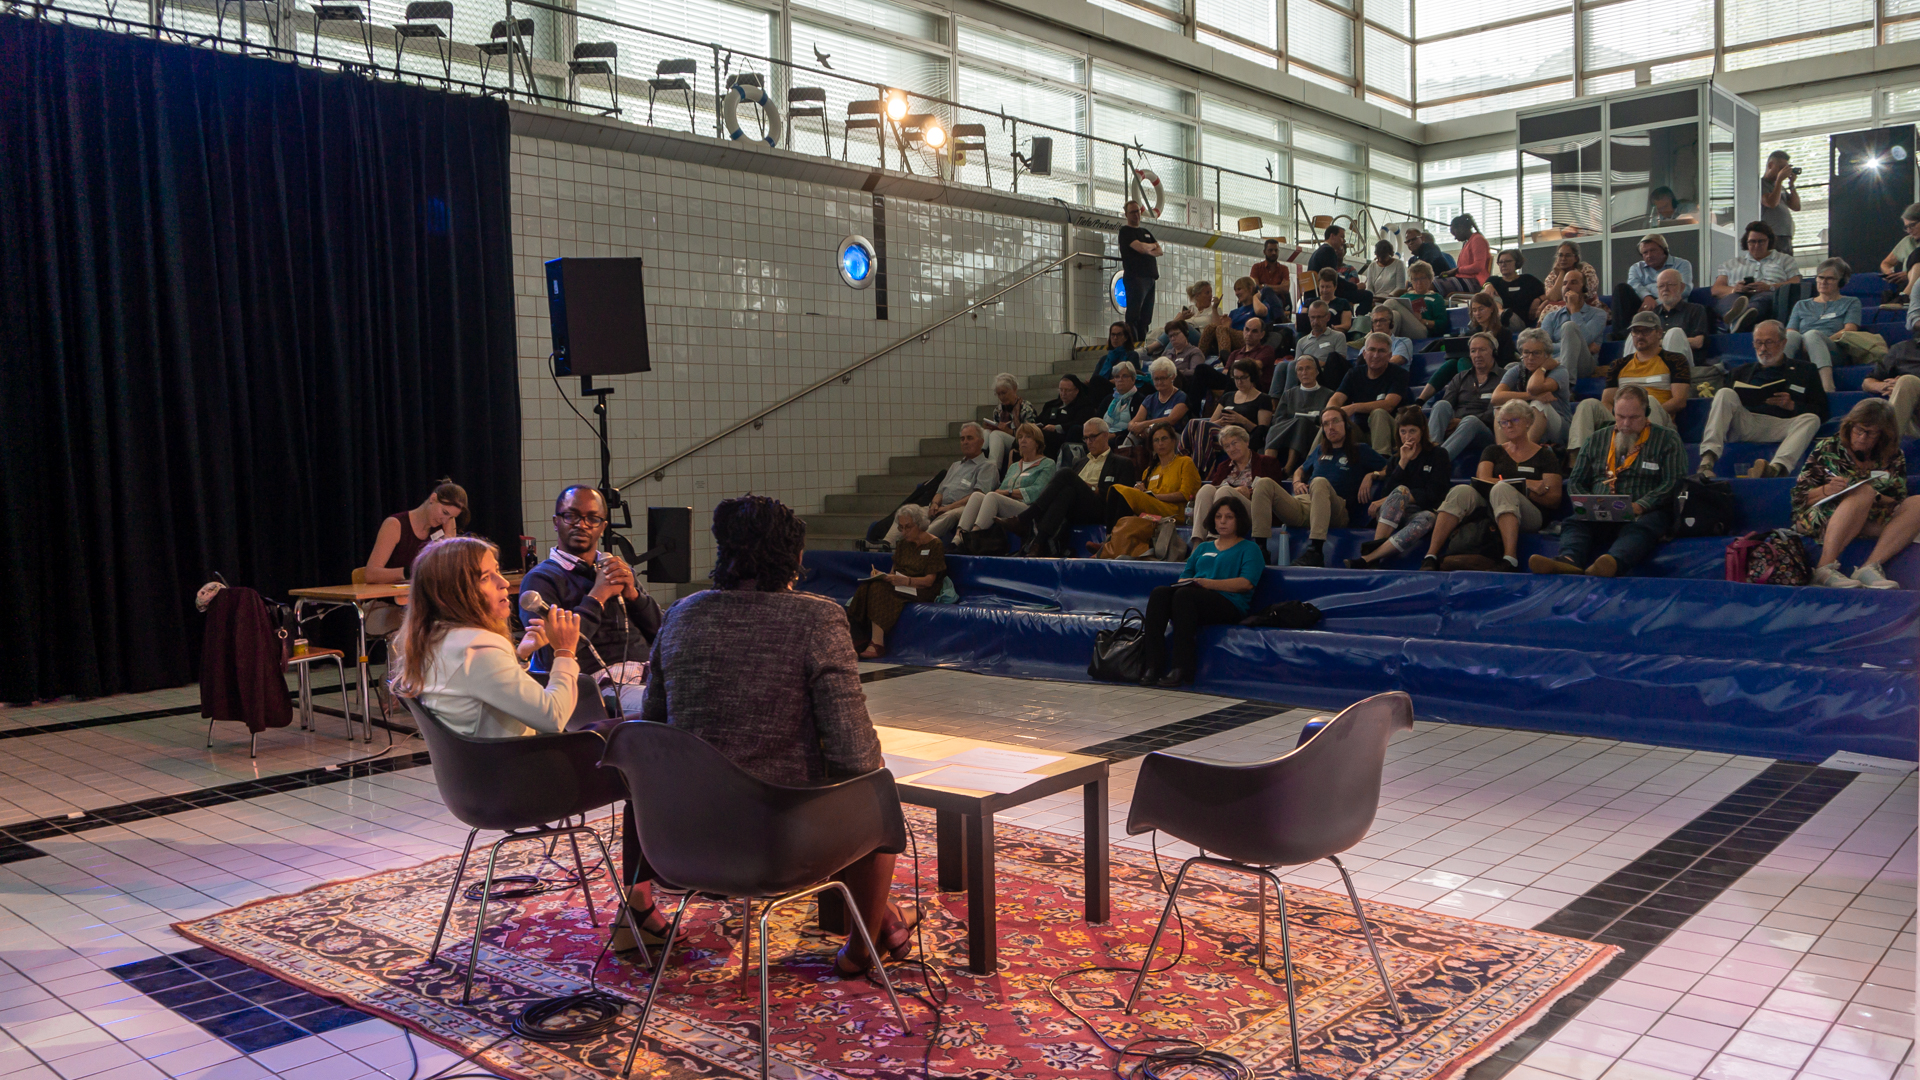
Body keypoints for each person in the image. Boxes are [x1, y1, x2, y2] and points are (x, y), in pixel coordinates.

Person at [640, 495, 916, 975]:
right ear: (796, 556)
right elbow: (857, 753)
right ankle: (857, 953)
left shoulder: (680, 614)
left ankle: (883, 919)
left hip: (679, 837)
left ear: (723, 553)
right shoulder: (818, 618)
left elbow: (653, 725)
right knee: (877, 793)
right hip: (780, 844)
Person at [395, 535, 669, 957]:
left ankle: (645, 898)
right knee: (641, 752)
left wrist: (522, 652)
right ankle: (641, 908)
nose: (506, 585)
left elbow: (478, 691)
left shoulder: (431, 637)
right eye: (489, 577)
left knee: (619, 730)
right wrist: (563, 650)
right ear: (459, 591)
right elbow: (552, 715)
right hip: (518, 786)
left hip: (475, 786)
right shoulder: (478, 646)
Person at [520, 486, 666, 713]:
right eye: (571, 516)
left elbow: (663, 633)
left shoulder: (616, 569)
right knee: (669, 708)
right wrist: (597, 596)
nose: (582, 524)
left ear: (603, 527)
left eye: (593, 519)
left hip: (651, 674)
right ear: (556, 521)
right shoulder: (541, 580)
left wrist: (634, 596)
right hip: (599, 686)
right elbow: (551, 655)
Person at [1531, 386, 1684, 578]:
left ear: (1646, 413)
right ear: (1613, 413)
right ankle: (1568, 561)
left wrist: (1642, 505)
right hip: (1601, 510)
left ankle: (1612, 562)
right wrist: (1588, 503)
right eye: (1620, 417)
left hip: (1645, 511)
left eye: (1634, 417)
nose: (1626, 424)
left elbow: (1673, 481)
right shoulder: (1596, 440)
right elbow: (1576, 481)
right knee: (1575, 522)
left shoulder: (1667, 439)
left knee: (1644, 526)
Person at [1792, 400, 1920, 588]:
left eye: (1870, 433)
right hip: (1825, 513)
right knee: (1863, 492)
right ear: (1849, 426)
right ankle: (1824, 568)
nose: (1862, 437)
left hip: (1871, 516)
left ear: (1883, 434)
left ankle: (1869, 567)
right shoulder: (1829, 448)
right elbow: (1799, 498)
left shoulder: (1892, 455)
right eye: (1858, 430)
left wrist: (1874, 496)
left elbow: (1897, 498)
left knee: (1916, 503)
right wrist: (1827, 490)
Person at [1424, 400, 1564, 572]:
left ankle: (1510, 558)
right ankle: (1430, 556)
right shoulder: (1493, 451)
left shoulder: (1545, 456)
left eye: (1515, 420)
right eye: (1504, 422)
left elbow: (1554, 499)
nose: (1509, 425)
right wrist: (1526, 483)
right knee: (1460, 490)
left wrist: (1524, 492)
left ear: (1528, 422)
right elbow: (1482, 478)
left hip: (1530, 513)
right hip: (1490, 506)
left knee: (1502, 488)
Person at [1137, 498, 1263, 687]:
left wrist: (1207, 584)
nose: (1222, 521)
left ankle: (1182, 668)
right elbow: (1184, 576)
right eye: (1219, 517)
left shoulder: (1250, 549)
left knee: (1185, 596)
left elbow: (1245, 583)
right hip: (1194, 598)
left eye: (1229, 517)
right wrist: (1192, 583)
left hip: (1229, 603)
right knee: (1160, 593)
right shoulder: (1203, 547)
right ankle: (1152, 665)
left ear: (1239, 520)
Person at [1696, 320, 1826, 480]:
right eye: (1759, 343)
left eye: (1769, 343)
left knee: (1811, 419)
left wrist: (1792, 405)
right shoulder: (1739, 372)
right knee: (1724, 393)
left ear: (1783, 342)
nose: (1763, 349)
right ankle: (1707, 462)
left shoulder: (1805, 370)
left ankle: (1776, 468)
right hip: (1745, 423)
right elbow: (1726, 407)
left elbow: (1822, 410)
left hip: (1781, 425)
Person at [1005, 417, 1139, 557]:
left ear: (1105, 435)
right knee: (1066, 492)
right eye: (1085, 438)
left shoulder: (1122, 463)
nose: (1089, 442)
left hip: (1100, 508)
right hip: (1075, 507)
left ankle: (1026, 517)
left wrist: (1089, 487)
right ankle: (1037, 544)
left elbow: (1121, 497)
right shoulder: (1080, 462)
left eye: (1092, 437)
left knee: (1065, 473)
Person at [1266, 407, 1384, 566]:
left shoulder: (1361, 449)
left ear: (1346, 425)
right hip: (1309, 505)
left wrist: (1372, 475)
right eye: (1326, 424)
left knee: (1319, 481)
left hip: (1338, 509)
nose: (1331, 427)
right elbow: (1300, 469)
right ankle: (1261, 549)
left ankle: (1315, 551)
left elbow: (1390, 468)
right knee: (1264, 483)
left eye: (1335, 421)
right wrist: (1296, 482)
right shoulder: (1320, 450)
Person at [1346, 407, 1452, 568]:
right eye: (1403, 432)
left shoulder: (1438, 454)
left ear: (1422, 431)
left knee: (1428, 517)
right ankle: (1372, 556)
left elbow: (1435, 494)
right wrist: (1403, 462)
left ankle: (1370, 558)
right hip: (1393, 512)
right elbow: (1387, 493)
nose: (1407, 437)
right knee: (1400, 490)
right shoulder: (1396, 460)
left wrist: (1405, 495)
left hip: (1420, 512)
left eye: (1412, 431)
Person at [1568, 312, 1691, 450]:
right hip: (1622, 421)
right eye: (1636, 331)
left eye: (1646, 331)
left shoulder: (1675, 360)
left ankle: (1648, 456)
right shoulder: (1619, 364)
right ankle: (1578, 458)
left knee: (1648, 400)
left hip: (1657, 418)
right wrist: (1624, 419)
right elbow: (1607, 401)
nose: (1640, 336)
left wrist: (1639, 416)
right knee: (1587, 404)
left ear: (1659, 333)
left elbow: (1679, 400)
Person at [847, 504, 946, 658]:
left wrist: (905, 581)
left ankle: (877, 644)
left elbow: (929, 581)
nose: (904, 532)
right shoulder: (902, 544)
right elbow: (894, 572)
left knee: (879, 590)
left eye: (908, 527)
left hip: (921, 588)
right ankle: (857, 636)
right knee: (868, 586)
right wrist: (883, 575)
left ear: (919, 525)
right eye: (901, 528)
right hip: (901, 585)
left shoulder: (934, 544)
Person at [883, 423, 998, 543]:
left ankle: (916, 541)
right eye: (962, 439)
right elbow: (940, 491)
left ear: (981, 442)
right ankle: (887, 543)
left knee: (949, 515)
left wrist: (948, 507)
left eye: (970, 438)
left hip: (965, 508)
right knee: (908, 511)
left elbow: (978, 495)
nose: (965, 442)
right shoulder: (955, 466)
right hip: (943, 506)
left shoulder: (987, 466)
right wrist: (934, 504)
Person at [1191, 424, 1286, 546]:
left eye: (1234, 443)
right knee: (1206, 489)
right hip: (1227, 511)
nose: (1231, 448)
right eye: (1227, 446)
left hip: (1256, 511)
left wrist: (1249, 492)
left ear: (1246, 441)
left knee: (1224, 492)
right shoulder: (1223, 467)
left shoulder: (1267, 462)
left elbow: (1275, 493)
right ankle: (1197, 544)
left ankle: (1213, 541)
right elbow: (1212, 493)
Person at [956, 423, 1056, 539]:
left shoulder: (1048, 464)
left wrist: (1008, 493)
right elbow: (1002, 489)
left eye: (1028, 437)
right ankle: (957, 539)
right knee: (977, 496)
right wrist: (1004, 492)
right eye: (1020, 437)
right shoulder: (1014, 466)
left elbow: (1037, 491)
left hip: (1028, 509)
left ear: (1037, 442)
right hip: (1008, 505)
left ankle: (974, 537)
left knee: (993, 496)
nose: (1023, 440)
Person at [364, 479, 468, 584]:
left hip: (422, 598)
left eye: (451, 517)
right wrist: (409, 571)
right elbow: (371, 574)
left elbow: (447, 570)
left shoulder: (444, 526)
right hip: (392, 598)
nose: (445, 520)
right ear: (433, 498)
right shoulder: (395, 525)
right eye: (445, 512)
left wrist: (449, 533)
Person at [1184, 358, 1273, 476]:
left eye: (1243, 377)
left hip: (1244, 436)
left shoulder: (1263, 399)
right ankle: (1182, 462)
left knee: (1202, 426)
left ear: (1252, 376)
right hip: (1222, 433)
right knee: (1193, 423)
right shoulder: (1228, 396)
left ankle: (1195, 471)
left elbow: (1262, 432)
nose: (1239, 382)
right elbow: (1211, 422)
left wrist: (1242, 420)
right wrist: (1221, 422)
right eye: (1236, 378)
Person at [1786, 258, 1863, 394]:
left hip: (1835, 348)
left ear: (1841, 282)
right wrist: (1806, 343)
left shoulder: (1851, 302)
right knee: (1790, 336)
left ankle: (1827, 387)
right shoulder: (1801, 304)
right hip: (1803, 348)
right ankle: (1777, 380)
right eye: (1820, 277)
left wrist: (1816, 341)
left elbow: (1850, 330)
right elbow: (1791, 330)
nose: (1823, 282)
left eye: (1830, 278)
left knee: (1812, 334)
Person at [1713, 220, 1801, 333]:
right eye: (1752, 242)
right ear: (1746, 242)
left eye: (1761, 241)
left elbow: (1796, 282)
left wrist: (1770, 287)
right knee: (1732, 300)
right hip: (1736, 295)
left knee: (1763, 299)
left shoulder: (1784, 260)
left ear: (1769, 241)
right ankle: (1737, 318)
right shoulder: (1730, 264)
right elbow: (1716, 290)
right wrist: (1734, 289)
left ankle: (1740, 318)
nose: (1756, 246)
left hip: (1767, 293)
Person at [1428, 332, 1504, 462]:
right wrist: (1456, 422)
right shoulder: (1461, 377)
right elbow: (1447, 404)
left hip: (1485, 431)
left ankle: (1437, 462)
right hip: (1458, 427)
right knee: (1441, 405)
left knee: (1470, 421)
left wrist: (1461, 421)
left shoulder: (1504, 378)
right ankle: (1430, 450)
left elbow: (1495, 414)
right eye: (1473, 351)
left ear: (1493, 351)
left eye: (1482, 350)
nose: (1477, 355)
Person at [1330, 333, 1411, 453]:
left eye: (1381, 351)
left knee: (1378, 413)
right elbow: (1336, 399)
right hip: (1362, 433)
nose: (1375, 355)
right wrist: (1330, 414)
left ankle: (1381, 461)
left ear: (1389, 356)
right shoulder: (1354, 373)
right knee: (1330, 421)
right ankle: (1310, 464)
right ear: (1364, 354)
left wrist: (1354, 407)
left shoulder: (1399, 374)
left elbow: (1389, 404)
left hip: (1393, 433)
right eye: (1372, 350)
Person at [1106, 424, 1200, 524]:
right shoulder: (1149, 471)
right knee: (1116, 490)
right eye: (1156, 440)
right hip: (1151, 512)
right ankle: (1112, 534)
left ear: (1173, 441)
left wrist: (1154, 496)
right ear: (1152, 445)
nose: (1160, 443)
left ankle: (1113, 534)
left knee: (1122, 491)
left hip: (1175, 512)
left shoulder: (1185, 462)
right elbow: (1145, 494)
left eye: (1164, 439)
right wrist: (1141, 490)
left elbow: (1186, 494)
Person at [1420, 296, 1510, 399]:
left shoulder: (1504, 333)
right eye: (1474, 310)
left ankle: (1472, 392)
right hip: (1474, 368)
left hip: (1493, 370)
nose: (1477, 313)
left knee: (1462, 360)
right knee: (1452, 363)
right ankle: (1420, 400)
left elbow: (1506, 360)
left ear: (1492, 309)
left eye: (1481, 309)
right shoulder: (1470, 333)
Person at [1493, 328, 1571, 445]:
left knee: (1539, 405)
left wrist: (1542, 368)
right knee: (1501, 408)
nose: (1530, 357)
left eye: (1536, 353)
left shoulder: (1559, 371)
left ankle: (1525, 453)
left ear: (1547, 355)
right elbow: (1495, 398)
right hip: (1527, 424)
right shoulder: (1517, 370)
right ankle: (1503, 453)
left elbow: (1533, 388)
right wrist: (1533, 397)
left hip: (1559, 428)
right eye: (1526, 352)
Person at [1611, 234, 1695, 337]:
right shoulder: (1636, 268)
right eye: (1645, 252)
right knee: (1621, 289)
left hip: (1671, 305)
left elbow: (1684, 289)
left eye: (1653, 250)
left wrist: (1655, 302)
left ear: (1664, 250)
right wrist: (1647, 297)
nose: (1649, 255)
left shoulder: (1682, 264)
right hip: (1643, 305)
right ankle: (1621, 336)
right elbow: (1633, 285)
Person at [1263, 353, 1335, 472]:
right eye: (1300, 369)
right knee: (1274, 428)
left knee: (1301, 423)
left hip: (1313, 432)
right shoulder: (1289, 394)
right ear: (1296, 374)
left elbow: (1327, 419)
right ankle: (1267, 469)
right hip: (1289, 430)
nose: (1304, 372)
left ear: (1317, 372)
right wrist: (1293, 423)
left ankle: (1288, 468)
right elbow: (1279, 418)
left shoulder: (1329, 394)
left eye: (1308, 368)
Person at [1540, 271, 1607, 380]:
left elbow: (1584, 339)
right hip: (1554, 362)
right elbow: (1543, 348)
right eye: (1564, 283)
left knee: (1569, 326)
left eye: (1573, 283)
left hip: (1584, 364)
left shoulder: (1599, 314)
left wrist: (1574, 309)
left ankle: (1566, 383)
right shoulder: (1551, 317)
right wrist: (1577, 346)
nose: (1567, 287)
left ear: (1584, 289)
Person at [1276, 300, 1347, 396]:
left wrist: (1315, 364)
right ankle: (1274, 401)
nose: (1315, 321)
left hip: (1324, 372)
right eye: (1312, 318)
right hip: (1304, 370)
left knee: (1293, 365)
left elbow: (1340, 362)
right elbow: (1297, 365)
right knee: (1281, 366)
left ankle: (1288, 399)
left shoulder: (1338, 336)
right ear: (1308, 318)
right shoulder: (1302, 341)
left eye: (1319, 317)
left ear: (1328, 317)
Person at [1647, 267, 1713, 367]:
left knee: (1674, 333)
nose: (1665, 289)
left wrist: (1663, 341)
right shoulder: (1652, 314)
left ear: (1681, 287)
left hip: (1685, 366)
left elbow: (1698, 342)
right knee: (1633, 336)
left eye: (1670, 285)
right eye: (1661, 286)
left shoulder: (1696, 310)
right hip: (1655, 364)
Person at [1128, 357, 1191, 460]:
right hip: (1152, 434)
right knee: (1133, 434)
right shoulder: (1150, 399)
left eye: (1163, 378)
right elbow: (1132, 423)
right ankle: (1128, 462)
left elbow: (1171, 420)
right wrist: (1137, 428)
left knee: (1158, 434)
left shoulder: (1181, 397)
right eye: (1156, 379)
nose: (1159, 382)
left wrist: (1144, 424)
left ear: (1173, 377)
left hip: (1175, 436)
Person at [1118, 199, 1163, 342]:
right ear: (1126, 214)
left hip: (1150, 278)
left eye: (1137, 211)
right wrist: (1149, 247)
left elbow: (1159, 251)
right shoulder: (1125, 232)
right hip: (1135, 277)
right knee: (1134, 313)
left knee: (1146, 315)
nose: (1136, 215)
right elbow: (1141, 248)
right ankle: (1133, 342)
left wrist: (1146, 249)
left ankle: (1142, 341)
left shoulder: (1146, 232)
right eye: (1132, 212)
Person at [1862, 336, 1920, 436]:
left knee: (1907, 381)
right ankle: (1886, 443)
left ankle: (1883, 445)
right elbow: (1867, 382)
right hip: (1912, 418)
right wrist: (1885, 386)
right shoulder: (1901, 349)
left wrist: (1907, 385)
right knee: (1905, 382)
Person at [1376, 260, 1447, 340]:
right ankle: (1380, 342)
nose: (1419, 282)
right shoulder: (1405, 296)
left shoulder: (1436, 298)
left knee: (1390, 302)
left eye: (1422, 278)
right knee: (1395, 315)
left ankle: (1371, 336)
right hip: (1402, 329)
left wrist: (1423, 321)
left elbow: (1443, 325)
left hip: (1422, 331)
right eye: (1415, 279)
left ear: (1430, 279)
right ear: (1411, 281)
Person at [1037, 374, 1102, 461]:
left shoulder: (1084, 406)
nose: (1063, 393)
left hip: (1064, 437)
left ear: (1076, 391)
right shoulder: (1051, 405)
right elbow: (1039, 419)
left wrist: (1056, 428)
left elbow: (1079, 423)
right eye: (1061, 390)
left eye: (1067, 390)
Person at [981, 373, 1038, 468]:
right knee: (986, 432)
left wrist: (1009, 431)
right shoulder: (998, 410)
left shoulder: (1026, 408)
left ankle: (993, 468)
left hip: (1019, 442)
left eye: (1004, 393)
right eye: (998, 394)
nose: (1001, 397)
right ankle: (979, 461)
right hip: (999, 442)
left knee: (996, 435)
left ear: (1014, 389)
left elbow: (1031, 433)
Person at [1307, 224, 1371, 308]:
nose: (1344, 241)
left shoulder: (1318, 251)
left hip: (1314, 292)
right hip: (1327, 292)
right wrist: (1355, 286)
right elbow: (1334, 279)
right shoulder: (1328, 251)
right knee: (1367, 295)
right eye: (1342, 237)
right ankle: (1359, 319)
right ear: (1332, 236)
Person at [1537, 241, 1600, 321]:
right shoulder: (1552, 275)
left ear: (1576, 258)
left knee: (1549, 308)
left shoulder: (1586, 269)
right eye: (1560, 255)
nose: (1563, 259)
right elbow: (1553, 297)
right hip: (1562, 307)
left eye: (1568, 255)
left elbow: (1585, 294)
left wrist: (1546, 303)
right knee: (1549, 309)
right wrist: (1561, 273)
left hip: (1586, 305)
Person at [1432, 214, 1491, 296]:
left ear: (1461, 228)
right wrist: (1451, 272)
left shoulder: (1477, 240)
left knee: (1432, 285)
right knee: (1430, 281)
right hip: (1466, 279)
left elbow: (1478, 267)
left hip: (1475, 282)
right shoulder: (1468, 242)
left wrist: (1457, 270)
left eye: (1454, 233)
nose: (1455, 238)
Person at [1487, 249, 1544, 331]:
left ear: (1516, 262)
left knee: (1506, 316)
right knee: (1487, 297)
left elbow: (1548, 294)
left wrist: (1538, 299)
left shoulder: (1528, 280)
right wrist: (1487, 285)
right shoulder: (1494, 281)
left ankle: (1501, 314)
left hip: (1520, 323)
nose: (1503, 264)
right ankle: (1499, 313)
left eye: (1507, 261)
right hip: (1496, 322)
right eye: (1500, 262)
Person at [1761, 150, 1802, 256]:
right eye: (1781, 168)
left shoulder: (1780, 187)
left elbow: (1796, 207)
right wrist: (1779, 180)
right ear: (1770, 165)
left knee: (1787, 269)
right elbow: (1771, 203)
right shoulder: (1761, 184)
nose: (1783, 172)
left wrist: (1791, 185)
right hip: (1772, 236)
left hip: (1786, 236)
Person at [1223, 317, 1281, 391]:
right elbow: (1225, 371)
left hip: (1256, 387)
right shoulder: (1235, 353)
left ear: (1262, 334)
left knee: (1238, 376)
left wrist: (1235, 366)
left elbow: (1254, 366)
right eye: (1247, 330)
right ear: (1243, 331)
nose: (1249, 334)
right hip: (1234, 383)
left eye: (1254, 331)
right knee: (1204, 370)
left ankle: (1224, 401)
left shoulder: (1267, 350)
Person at [1877, 203, 1920, 297]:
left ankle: (1906, 296)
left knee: (1917, 253)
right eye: (1906, 227)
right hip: (1905, 285)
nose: (1909, 230)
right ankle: (1905, 296)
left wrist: (1909, 274)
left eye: (1912, 225)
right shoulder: (1907, 241)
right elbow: (1886, 263)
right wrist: (1890, 273)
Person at [1296, 268, 1353, 334]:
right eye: (1322, 287)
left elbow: (1346, 325)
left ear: (1335, 287)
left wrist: (1332, 328)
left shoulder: (1343, 303)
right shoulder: (1309, 302)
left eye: (1328, 287)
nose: (1324, 290)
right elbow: (1299, 324)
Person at [1103, 362, 1147, 448]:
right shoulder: (1109, 399)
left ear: (1133, 379)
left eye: (1125, 376)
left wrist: (1114, 435)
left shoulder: (1140, 399)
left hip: (1123, 437)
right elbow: (1097, 419)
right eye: (1117, 376)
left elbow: (1137, 428)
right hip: (1104, 435)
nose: (1120, 379)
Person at [1249, 238, 1292, 313]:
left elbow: (1285, 289)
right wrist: (1277, 288)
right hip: (1261, 301)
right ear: (1264, 252)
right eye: (1270, 250)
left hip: (1279, 301)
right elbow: (1255, 288)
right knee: (1266, 295)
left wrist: (1264, 287)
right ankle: (1280, 317)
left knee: (1266, 291)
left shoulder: (1284, 269)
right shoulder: (1256, 267)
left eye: (1276, 250)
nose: (1273, 253)